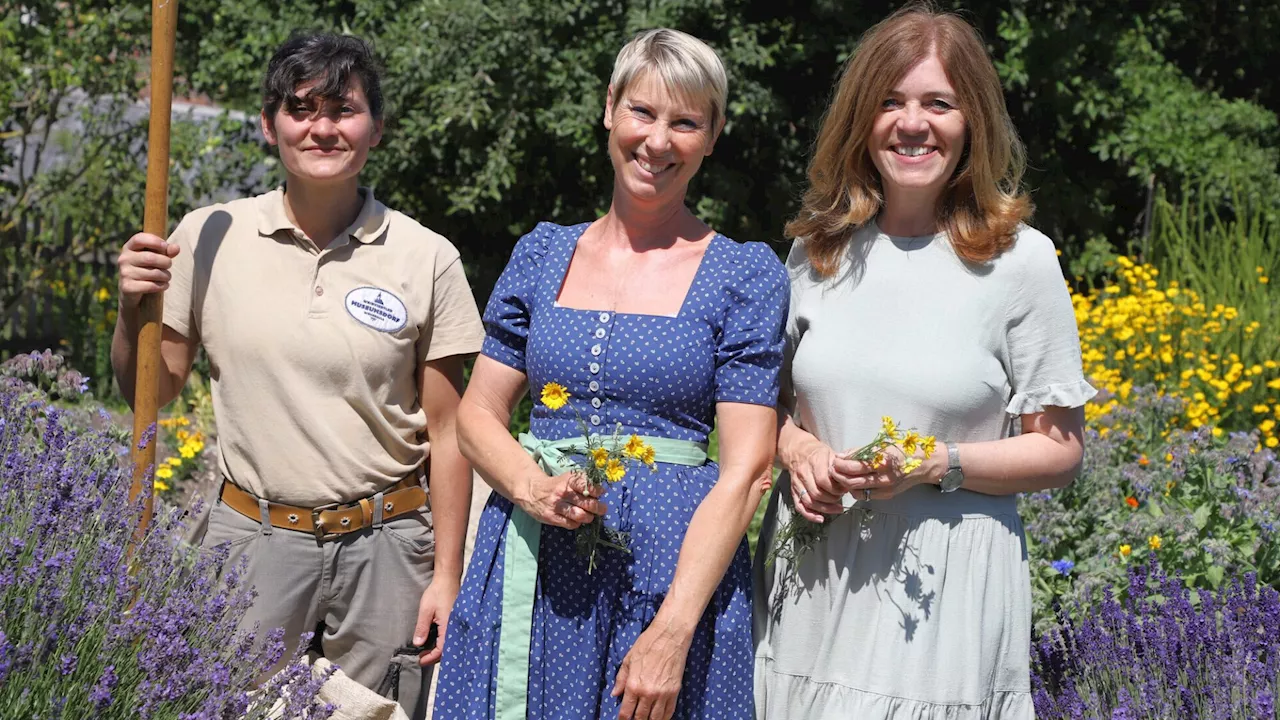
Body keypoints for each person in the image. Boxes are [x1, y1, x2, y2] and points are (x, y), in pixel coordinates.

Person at [110, 33, 484, 719]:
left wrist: (447, 577)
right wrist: (132, 310)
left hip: (387, 548)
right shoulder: (208, 234)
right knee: (216, 704)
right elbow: (152, 389)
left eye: (342, 109)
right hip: (250, 541)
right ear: (269, 124)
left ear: (376, 128)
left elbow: (449, 431)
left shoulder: (425, 257)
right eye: (300, 108)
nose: (321, 127)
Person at [752, 5, 1095, 719]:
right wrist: (799, 449)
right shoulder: (816, 251)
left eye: (938, 103)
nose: (914, 124)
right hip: (814, 584)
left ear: (973, 120)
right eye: (890, 102)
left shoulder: (1021, 262)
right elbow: (765, 407)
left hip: (940, 601)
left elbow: (1059, 451)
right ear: (860, 119)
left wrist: (936, 462)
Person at [434, 28, 787, 720]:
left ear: (712, 136)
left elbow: (748, 468)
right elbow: (475, 417)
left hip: (668, 579)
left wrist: (674, 628)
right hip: (531, 568)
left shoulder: (744, 276)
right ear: (609, 109)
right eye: (642, 112)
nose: (658, 141)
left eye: (685, 122)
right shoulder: (541, 254)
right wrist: (531, 487)